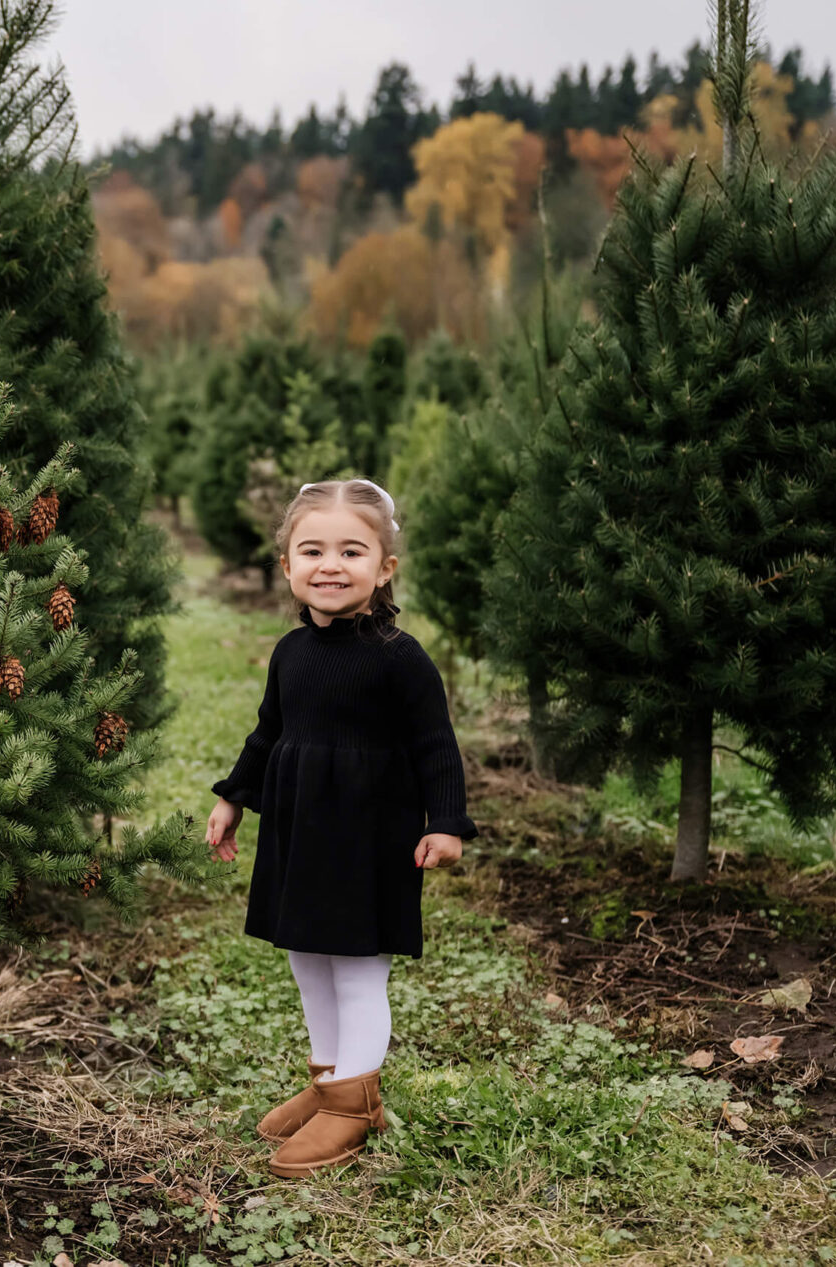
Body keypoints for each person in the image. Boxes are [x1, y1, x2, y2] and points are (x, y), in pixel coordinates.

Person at [205, 477, 475, 1178]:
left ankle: (356, 1106)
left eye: (351, 550)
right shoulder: (291, 652)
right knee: (307, 956)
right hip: (304, 828)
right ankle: (330, 1082)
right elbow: (270, 732)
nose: (330, 564)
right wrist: (235, 795)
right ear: (288, 564)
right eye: (312, 549)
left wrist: (446, 822)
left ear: (384, 567)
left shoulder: (399, 656)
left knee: (356, 968)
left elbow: (436, 745)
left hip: (370, 833)